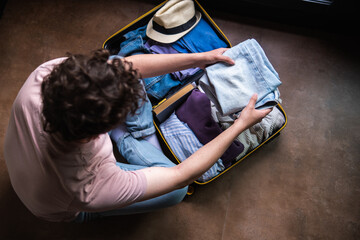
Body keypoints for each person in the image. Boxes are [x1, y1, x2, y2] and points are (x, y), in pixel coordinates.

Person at [3, 48, 272, 222]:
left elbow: (124, 66)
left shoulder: (46, 75)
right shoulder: (89, 186)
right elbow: (182, 176)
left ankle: (133, 135)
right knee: (176, 192)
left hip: (27, 163)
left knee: (120, 70)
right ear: (99, 133)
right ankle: (128, 139)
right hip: (64, 203)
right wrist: (240, 125)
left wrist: (204, 58)